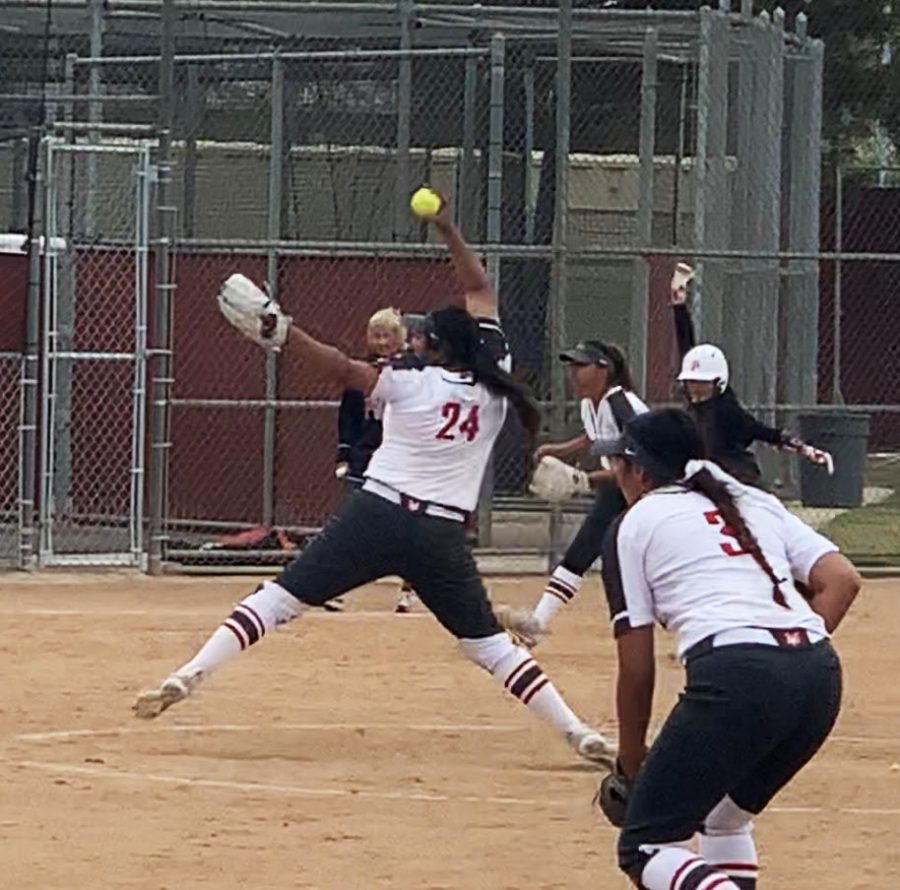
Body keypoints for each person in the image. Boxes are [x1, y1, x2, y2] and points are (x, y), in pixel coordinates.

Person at [133, 206, 613, 767]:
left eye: (419, 338)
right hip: (440, 533)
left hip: (376, 513)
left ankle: (188, 675)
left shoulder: (411, 381)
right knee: (488, 646)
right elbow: (479, 287)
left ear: (436, 348)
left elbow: (342, 368)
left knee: (278, 600)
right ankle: (578, 731)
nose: (410, 342)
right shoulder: (495, 386)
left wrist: (284, 333)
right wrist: (449, 229)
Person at [590, 408, 860, 890]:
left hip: (738, 675)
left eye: (619, 465)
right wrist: (786, 660)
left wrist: (631, 760)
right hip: (818, 675)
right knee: (723, 817)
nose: (615, 475)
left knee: (645, 846)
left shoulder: (634, 524)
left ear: (641, 471)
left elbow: (636, 667)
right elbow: (841, 580)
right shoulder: (752, 500)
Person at [501, 340, 647, 646]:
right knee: (581, 552)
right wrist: (560, 450)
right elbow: (595, 438)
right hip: (620, 489)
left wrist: (585, 480)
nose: (573, 373)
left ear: (604, 370)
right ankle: (536, 625)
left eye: (582, 366)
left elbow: (641, 460)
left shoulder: (620, 403)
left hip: (651, 491)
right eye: (571, 366)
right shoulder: (589, 404)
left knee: (650, 564)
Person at [670, 263, 832, 486]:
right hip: (702, 478)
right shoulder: (694, 401)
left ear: (718, 383)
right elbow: (687, 348)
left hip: (737, 479)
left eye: (702, 384)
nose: (695, 389)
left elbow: (764, 432)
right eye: (691, 383)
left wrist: (804, 449)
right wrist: (678, 304)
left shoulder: (727, 411)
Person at [334, 307, 420, 614]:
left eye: (388, 336)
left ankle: (410, 588)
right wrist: (344, 453)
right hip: (367, 453)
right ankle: (338, 587)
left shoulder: (413, 371)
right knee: (353, 521)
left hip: (402, 455)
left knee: (409, 525)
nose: (382, 342)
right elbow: (348, 416)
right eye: (376, 336)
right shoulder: (361, 371)